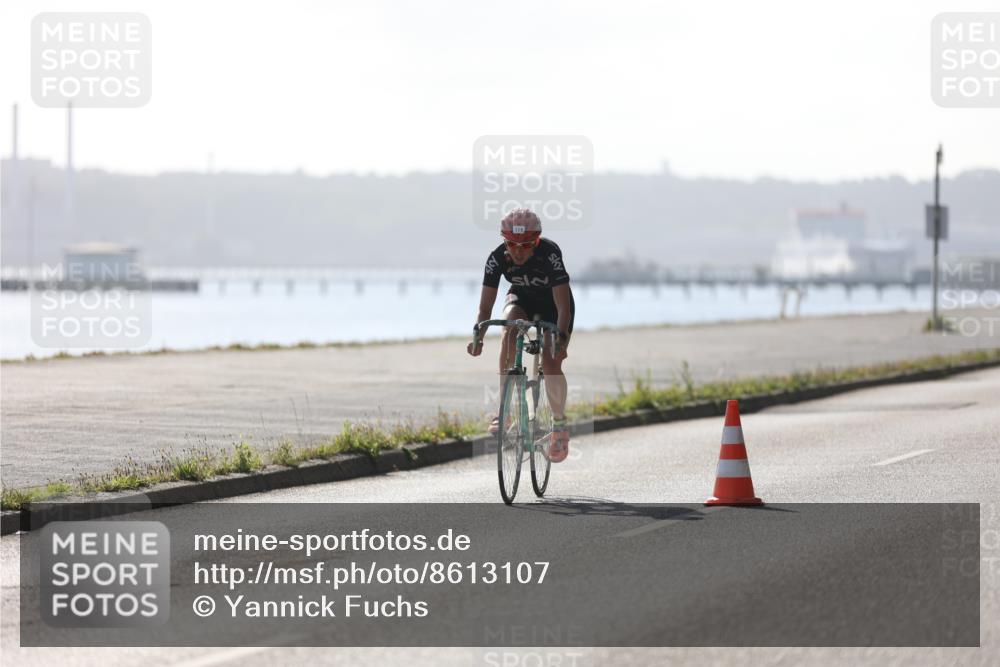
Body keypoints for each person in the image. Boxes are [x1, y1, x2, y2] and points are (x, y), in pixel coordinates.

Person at [467, 208, 575, 462]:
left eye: (526, 245)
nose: (518, 251)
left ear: (536, 242)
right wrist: (478, 336)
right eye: (512, 245)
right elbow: (485, 308)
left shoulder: (550, 254)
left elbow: (563, 306)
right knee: (509, 330)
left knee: (550, 362)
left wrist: (561, 340)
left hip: (553, 307)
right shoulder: (497, 258)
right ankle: (504, 411)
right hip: (522, 299)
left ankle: (559, 426)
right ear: (504, 241)